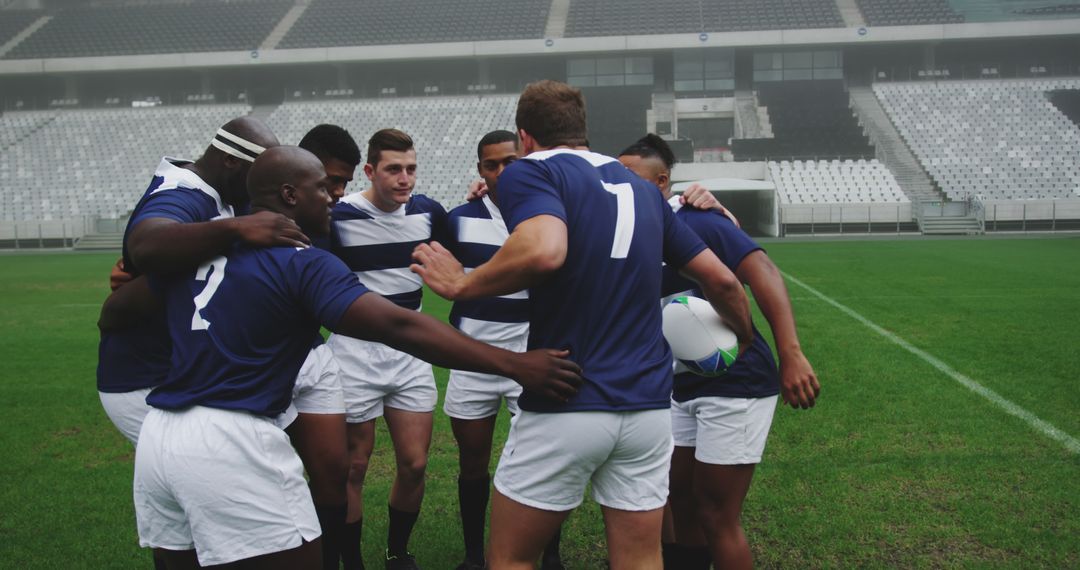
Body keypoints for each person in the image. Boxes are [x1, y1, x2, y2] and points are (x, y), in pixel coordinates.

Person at [133, 146, 583, 570]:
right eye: (322, 187)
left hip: (160, 438)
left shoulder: (201, 250)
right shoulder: (301, 261)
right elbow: (398, 326)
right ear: (290, 195)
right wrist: (515, 364)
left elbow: (118, 313)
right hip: (232, 439)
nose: (335, 196)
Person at [411, 80, 755, 570]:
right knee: (639, 557)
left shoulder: (530, 171)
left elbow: (546, 249)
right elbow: (723, 282)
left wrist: (463, 285)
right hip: (647, 409)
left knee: (511, 558)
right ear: (582, 131)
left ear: (524, 137)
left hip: (567, 397)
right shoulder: (642, 188)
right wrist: (742, 338)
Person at [618, 134, 821, 569]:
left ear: (661, 182)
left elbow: (763, 272)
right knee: (680, 502)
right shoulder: (626, 232)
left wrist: (792, 353)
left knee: (716, 513)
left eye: (629, 176)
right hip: (677, 384)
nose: (619, 185)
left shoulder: (701, 221)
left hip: (735, 383)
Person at [97, 116, 293, 447]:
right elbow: (147, 244)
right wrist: (236, 229)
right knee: (217, 477)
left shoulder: (226, 190)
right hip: (146, 379)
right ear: (230, 160)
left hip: (186, 374)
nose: (261, 187)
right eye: (257, 176)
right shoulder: (183, 193)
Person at [325, 128, 448, 569]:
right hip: (354, 354)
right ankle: (352, 562)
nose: (405, 179)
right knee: (353, 467)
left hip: (410, 352)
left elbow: (468, 244)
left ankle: (398, 553)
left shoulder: (430, 213)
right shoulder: (337, 217)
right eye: (394, 169)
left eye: (411, 169)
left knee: (414, 464)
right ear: (370, 171)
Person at [443, 130, 565, 570]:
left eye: (510, 162)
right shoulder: (457, 218)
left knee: (544, 460)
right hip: (472, 358)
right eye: (491, 165)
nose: (501, 172)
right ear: (480, 170)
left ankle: (550, 555)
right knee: (472, 461)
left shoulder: (547, 216)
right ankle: (475, 554)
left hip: (533, 358)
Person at [293, 123, 363, 570]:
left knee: (334, 472)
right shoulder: (244, 218)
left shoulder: (328, 220)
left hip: (310, 356)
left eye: (344, 184)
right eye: (331, 181)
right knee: (270, 478)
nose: (337, 193)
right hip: (257, 366)